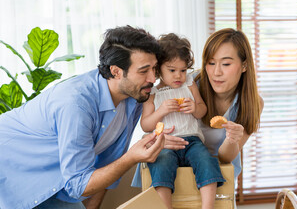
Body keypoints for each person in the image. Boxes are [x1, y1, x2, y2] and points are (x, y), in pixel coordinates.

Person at [0, 26, 188, 209]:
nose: (152, 78)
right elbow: (79, 184)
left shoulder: (134, 98)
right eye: (143, 70)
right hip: (9, 170)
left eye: (154, 68)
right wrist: (131, 158)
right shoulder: (76, 104)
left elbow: (105, 165)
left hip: (52, 181)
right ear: (115, 71)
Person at [140, 33, 225, 209]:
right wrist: (161, 111)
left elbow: (202, 110)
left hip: (192, 141)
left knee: (206, 160)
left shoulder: (189, 83)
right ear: (158, 69)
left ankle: (208, 206)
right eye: (172, 70)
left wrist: (194, 108)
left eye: (183, 70)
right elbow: (146, 125)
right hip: (165, 144)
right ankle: (166, 206)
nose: (178, 76)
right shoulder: (153, 93)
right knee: (161, 164)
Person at [194, 28, 264, 184]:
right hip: (180, 177)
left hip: (220, 180)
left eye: (226, 64)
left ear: (244, 65)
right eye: (211, 63)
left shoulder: (253, 103)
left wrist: (232, 140)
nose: (216, 72)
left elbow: (226, 158)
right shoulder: (189, 86)